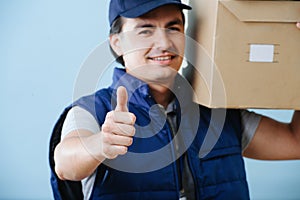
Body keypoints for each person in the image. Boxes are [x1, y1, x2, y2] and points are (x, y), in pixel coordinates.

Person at [50, 0, 300, 199]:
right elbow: (65, 165)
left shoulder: (216, 110)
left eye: (173, 27)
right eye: (145, 30)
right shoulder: (93, 110)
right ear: (117, 43)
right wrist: (100, 144)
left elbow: (295, 142)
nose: (164, 43)